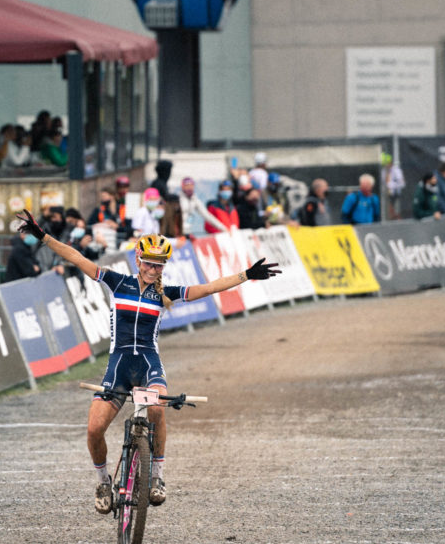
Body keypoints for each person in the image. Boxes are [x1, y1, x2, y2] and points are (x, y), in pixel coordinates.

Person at [14, 211, 281, 512]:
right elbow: (76, 258)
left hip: (148, 364)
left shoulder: (164, 292)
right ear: (138, 260)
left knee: (156, 406)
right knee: (93, 430)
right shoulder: (117, 282)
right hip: (119, 365)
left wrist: (245, 275)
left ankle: (157, 477)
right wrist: (44, 237)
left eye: (159, 264)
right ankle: (103, 481)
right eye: (149, 263)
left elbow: (207, 288)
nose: (154, 269)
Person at [380, 153, 406, 220]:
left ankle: (398, 218)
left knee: (396, 211)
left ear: (390, 162)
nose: (386, 166)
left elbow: (402, 183)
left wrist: (391, 185)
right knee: (389, 212)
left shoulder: (397, 171)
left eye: (387, 164)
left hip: (396, 194)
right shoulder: (383, 171)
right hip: (386, 196)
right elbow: (383, 183)